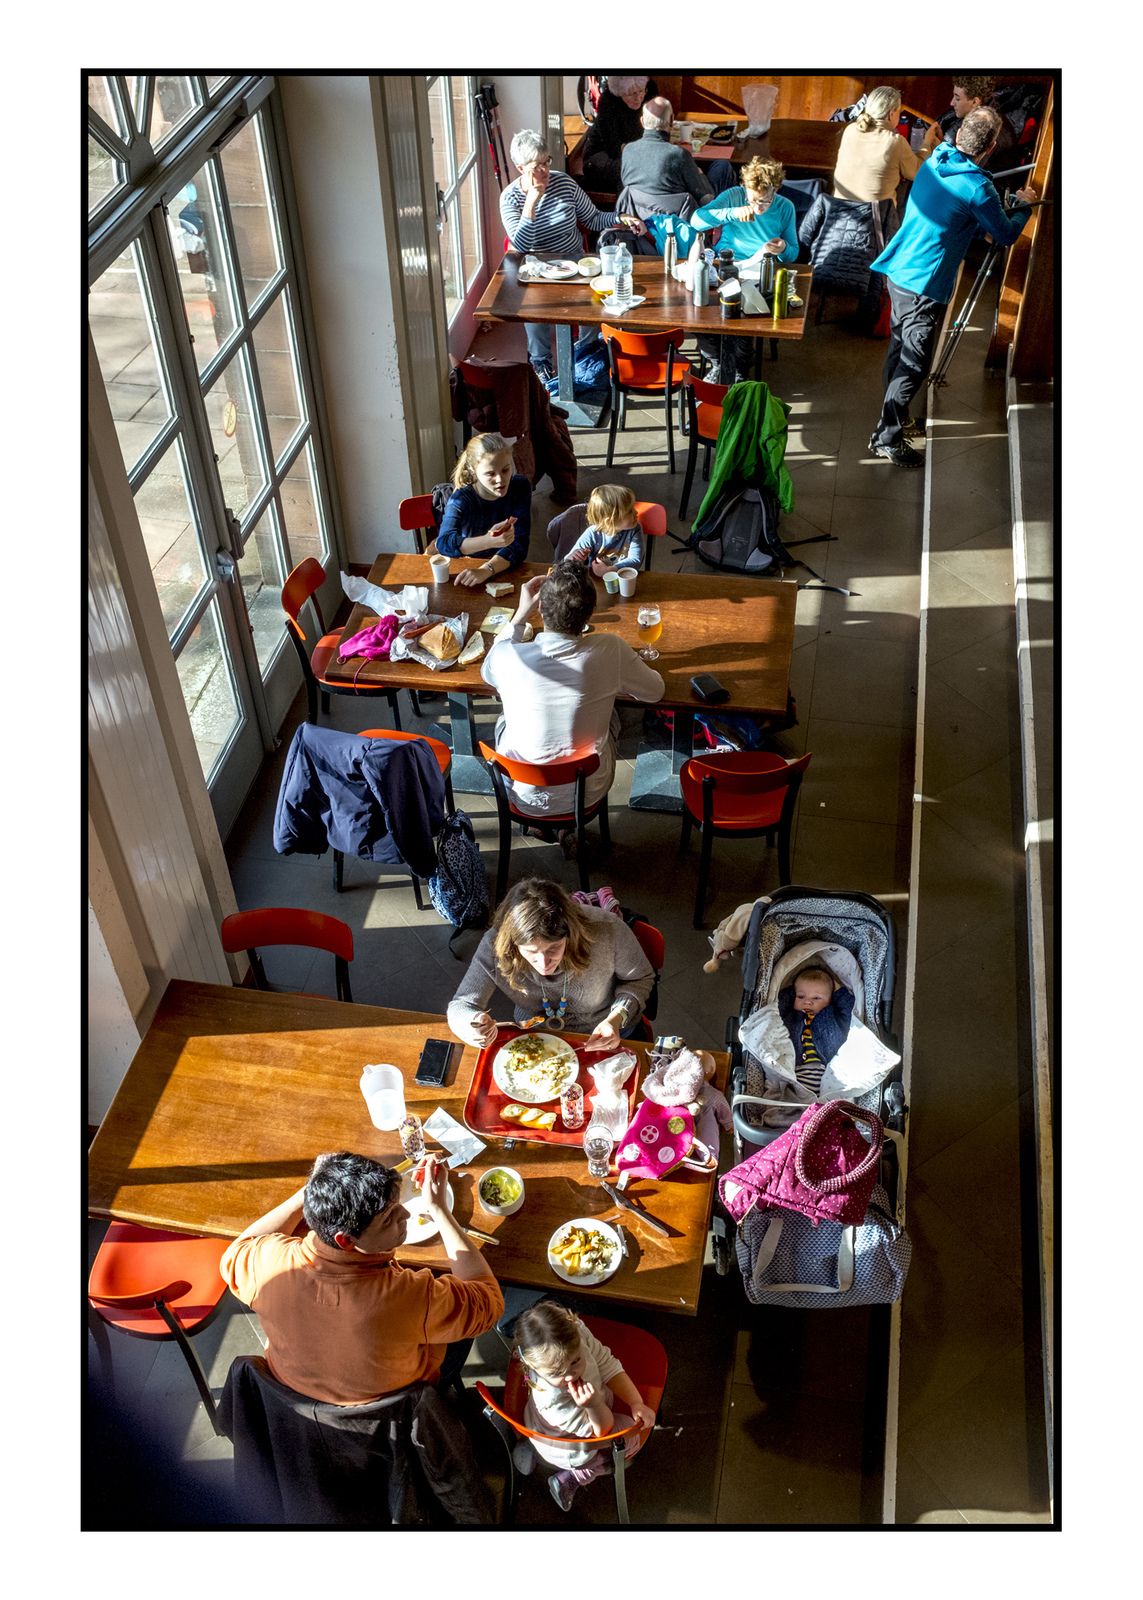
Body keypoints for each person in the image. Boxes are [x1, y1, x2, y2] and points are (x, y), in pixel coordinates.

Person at [220, 1151, 503, 1405]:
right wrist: (439, 1211)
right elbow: (489, 1301)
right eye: (388, 1218)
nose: (405, 1213)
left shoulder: (269, 1262)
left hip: (292, 1399)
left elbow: (237, 1251)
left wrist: (312, 1193)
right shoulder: (408, 1297)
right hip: (396, 1406)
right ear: (346, 1240)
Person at [868, 107, 1036, 467]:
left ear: (959, 136)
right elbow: (1005, 234)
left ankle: (894, 419)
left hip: (899, 270)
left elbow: (951, 213)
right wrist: (1023, 208)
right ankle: (887, 437)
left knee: (898, 351)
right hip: (924, 284)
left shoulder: (937, 158)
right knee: (913, 365)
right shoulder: (977, 188)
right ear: (990, 147)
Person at [479, 560, 663, 817]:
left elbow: (487, 671)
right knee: (612, 716)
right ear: (589, 614)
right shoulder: (610, 649)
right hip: (587, 791)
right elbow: (655, 692)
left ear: (540, 608)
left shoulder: (508, 656)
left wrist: (520, 615)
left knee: (504, 719)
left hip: (521, 793)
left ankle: (540, 822)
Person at [500, 129, 644, 382]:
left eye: (546, 161)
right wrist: (531, 202)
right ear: (520, 168)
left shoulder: (564, 183)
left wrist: (621, 218)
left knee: (592, 306)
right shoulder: (510, 198)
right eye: (537, 166)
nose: (545, 171)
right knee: (532, 308)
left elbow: (593, 218)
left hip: (574, 265)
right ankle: (541, 361)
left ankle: (585, 354)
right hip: (537, 270)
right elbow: (520, 244)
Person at [447, 877, 654, 1051]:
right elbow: (461, 1006)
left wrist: (617, 1017)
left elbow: (640, 979)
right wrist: (471, 1024)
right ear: (513, 945)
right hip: (535, 1036)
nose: (544, 963)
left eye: (553, 948)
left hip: (606, 1035)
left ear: (570, 935)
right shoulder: (495, 946)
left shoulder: (607, 930)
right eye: (531, 952)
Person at [512, 1299, 655, 1512]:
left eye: (575, 1361)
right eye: (556, 1373)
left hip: (555, 1423)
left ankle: (532, 1448)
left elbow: (607, 1364)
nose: (570, 1375)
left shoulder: (576, 1331)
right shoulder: (551, 1400)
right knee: (630, 1438)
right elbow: (601, 1432)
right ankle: (573, 1477)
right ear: (533, 1366)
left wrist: (636, 1402)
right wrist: (594, 1404)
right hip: (571, 1445)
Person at [688, 156, 799, 383]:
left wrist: (783, 248)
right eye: (753, 200)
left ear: (775, 190)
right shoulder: (734, 196)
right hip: (726, 263)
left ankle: (739, 367)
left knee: (747, 313)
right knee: (697, 309)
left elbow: (793, 252)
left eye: (765, 202)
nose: (757, 207)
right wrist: (732, 213)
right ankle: (718, 362)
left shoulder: (785, 207)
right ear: (744, 187)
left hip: (760, 268)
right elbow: (696, 221)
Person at [436, 432, 532, 588]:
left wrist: (487, 569)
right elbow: (444, 543)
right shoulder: (460, 499)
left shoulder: (520, 488)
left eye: (505, 470)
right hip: (467, 569)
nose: (500, 480)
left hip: (503, 568)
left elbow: (520, 545)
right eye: (490, 474)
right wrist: (488, 541)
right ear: (473, 471)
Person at [619, 96, 714, 212]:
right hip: (678, 219)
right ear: (672, 120)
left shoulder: (628, 150)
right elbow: (706, 200)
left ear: (642, 121)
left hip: (639, 217)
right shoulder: (679, 155)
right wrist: (700, 175)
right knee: (721, 167)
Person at [832, 85, 919, 203]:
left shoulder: (850, 130)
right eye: (899, 111)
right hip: (873, 214)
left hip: (839, 209)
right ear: (891, 114)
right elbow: (916, 173)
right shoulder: (895, 141)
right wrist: (927, 144)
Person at [778, 966, 855, 1096]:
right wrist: (792, 990)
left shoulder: (833, 1016)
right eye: (801, 996)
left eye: (816, 998)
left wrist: (838, 992)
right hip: (794, 1075)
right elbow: (777, 1006)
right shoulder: (789, 1016)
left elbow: (850, 1011)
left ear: (830, 1000)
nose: (807, 1002)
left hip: (830, 1074)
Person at [581, 75, 655, 193]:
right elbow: (613, 147)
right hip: (602, 154)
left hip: (635, 152)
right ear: (619, 93)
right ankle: (626, 203)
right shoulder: (608, 101)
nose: (638, 98)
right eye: (631, 94)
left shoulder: (649, 90)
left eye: (641, 91)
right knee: (633, 170)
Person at [918, 75, 1009, 162]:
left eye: (957, 98)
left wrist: (930, 144)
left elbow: (962, 166)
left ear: (975, 102)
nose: (951, 103)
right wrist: (941, 142)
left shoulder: (989, 134)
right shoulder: (957, 115)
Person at [565, 483, 644, 575]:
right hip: (595, 578)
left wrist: (611, 570)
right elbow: (567, 563)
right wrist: (574, 557)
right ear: (611, 521)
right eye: (629, 511)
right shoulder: (592, 533)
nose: (636, 512)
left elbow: (635, 560)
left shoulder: (635, 529)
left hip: (623, 576)